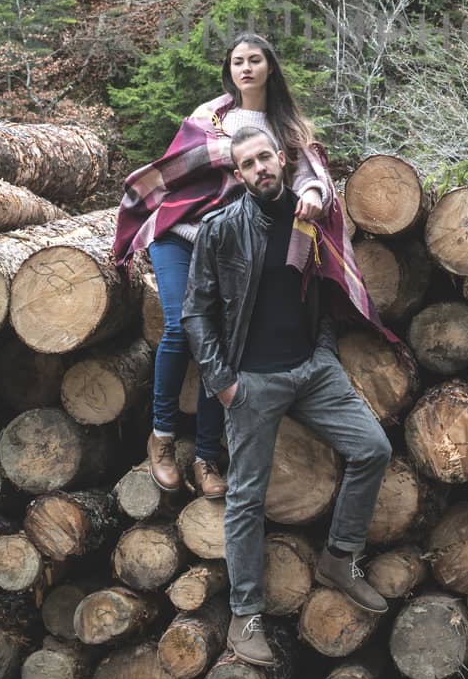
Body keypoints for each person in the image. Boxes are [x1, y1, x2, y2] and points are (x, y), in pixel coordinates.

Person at [183, 125, 393, 666]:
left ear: (281, 158)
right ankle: (245, 615)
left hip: (311, 370)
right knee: (247, 499)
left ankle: (339, 558)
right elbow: (195, 313)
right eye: (247, 165)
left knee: (373, 448)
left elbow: (319, 290)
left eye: (264, 159)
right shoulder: (222, 229)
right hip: (251, 383)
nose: (259, 170)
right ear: (238, 175)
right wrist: (224, 383)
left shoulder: (309, 219)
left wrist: (322, 351)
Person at [114, 33, 331, 498]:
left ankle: (208, 455)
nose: (246, 68)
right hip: (179, 235)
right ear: (228, 69)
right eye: (237, 61)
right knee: (179, 328)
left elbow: (312, 174)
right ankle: (164, 437)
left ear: (270, 67)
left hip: (230, 246)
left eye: (255, 60)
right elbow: (173, 173)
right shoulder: (208, 117)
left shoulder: (287, 129)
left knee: (224, 341)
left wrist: (312, 193)